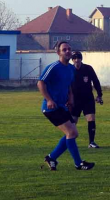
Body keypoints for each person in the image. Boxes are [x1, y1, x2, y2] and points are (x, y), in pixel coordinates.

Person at [38, 41, 95, 171]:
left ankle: (52, 157)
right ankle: (78, 163)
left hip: (62, 107)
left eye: (69, 49)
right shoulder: (53, 67)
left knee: (72, 133)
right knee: (71, 132)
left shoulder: (70, 69)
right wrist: (49, 99)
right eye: (64, 49)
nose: (68, 51)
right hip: (51, 108)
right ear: (58, 52)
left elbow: (68, 85)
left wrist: (70, 99)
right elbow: (40, 83)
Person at [70, 51, 103, 149]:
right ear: (72, 60)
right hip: (75, 100)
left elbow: (96, 81)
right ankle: (70, 142)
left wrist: (99, 95)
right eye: (75, 58)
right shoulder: (69, 70)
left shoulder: (88, 69)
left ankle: (91, 142)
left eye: (78, 58)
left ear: (81, 59)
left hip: (88, 98)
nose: (77, 60)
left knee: (91, 119)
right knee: (73, 121)